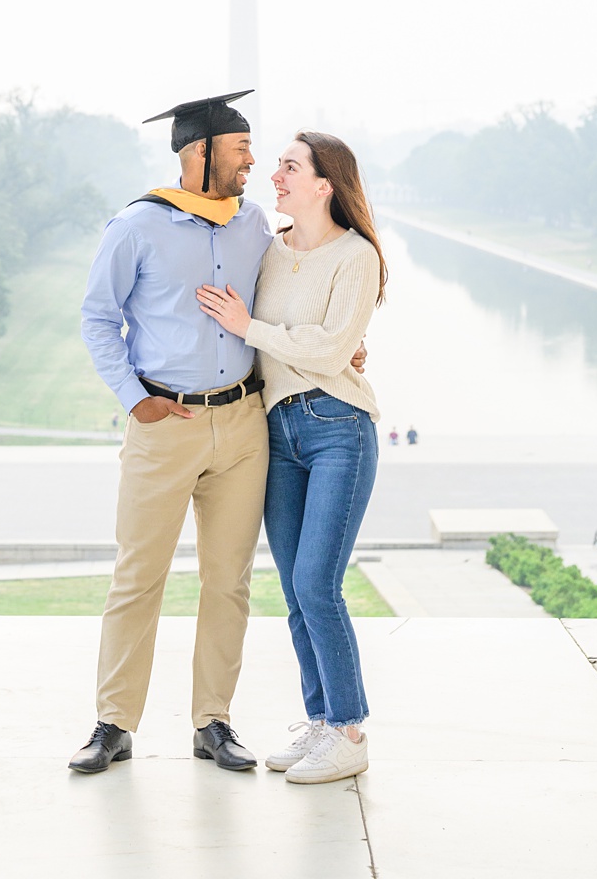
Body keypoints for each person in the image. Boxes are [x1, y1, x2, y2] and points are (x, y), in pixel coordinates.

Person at [70, 91, 273, 776]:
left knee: (229, 582)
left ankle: (212, 721)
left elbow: (275, 304)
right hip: (165, 424)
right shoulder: (136, 227)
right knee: (138, 577)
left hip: (243, 426)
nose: (251, 160)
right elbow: (99, 318)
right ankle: (113, 724)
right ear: (199, 152)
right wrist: (135, 399)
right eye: (240, 148)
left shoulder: (254, 226)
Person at [197, 131, 386, 785]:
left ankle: (351, 728)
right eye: (276, 164)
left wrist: (249, 326)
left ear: (325, 184)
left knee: (316, 583)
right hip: (278, 431)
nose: (274, 173)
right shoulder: (272, 254)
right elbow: (290, 344)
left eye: (289, 166)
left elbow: (333, 350)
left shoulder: (356, 255)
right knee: (296, 590)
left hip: (338, 427)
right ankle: (321, 723)